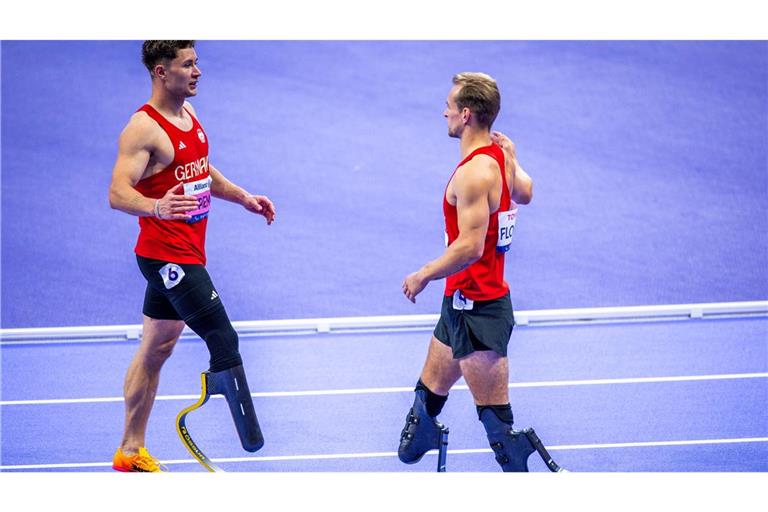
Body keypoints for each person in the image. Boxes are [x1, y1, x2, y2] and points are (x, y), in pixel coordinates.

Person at [108, 41, 275, 472]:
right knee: (223, 338)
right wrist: (156, 207)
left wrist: (242, 197)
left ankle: (129, 451)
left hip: (184, 251)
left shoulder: (190, 116)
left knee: (156, 348)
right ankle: (250, 439)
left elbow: (201, 171)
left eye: (197, 62)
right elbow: (117, 192)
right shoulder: (142, 129)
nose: (197, 71)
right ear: (162, 72)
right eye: (188, 64)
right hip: (168, 258)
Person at [399, 72, 537, 471]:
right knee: (425, 403)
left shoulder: (475, 172)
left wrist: (423, 274)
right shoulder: (500, 158)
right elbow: (526, 192)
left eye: (449, 105)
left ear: (465, 114)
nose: (443, 112)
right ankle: (427, 428)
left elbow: (470, 247)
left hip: (481, 307)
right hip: (459, 303)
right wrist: (514, 157)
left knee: (500, 432)